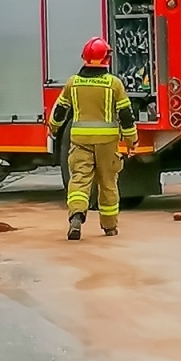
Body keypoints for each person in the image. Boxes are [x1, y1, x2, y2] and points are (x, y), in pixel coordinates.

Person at [48, 37, 136, 241]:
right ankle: (109, 226)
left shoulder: (73, 83)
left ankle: (76, 216)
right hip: (107, 143)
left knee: (79, 178)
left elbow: (60, 110)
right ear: (106, 58)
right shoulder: (114, 84)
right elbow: (125, 115)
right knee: (107, 183)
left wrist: (53, 128)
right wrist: (132, 140)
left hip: (79, 140)